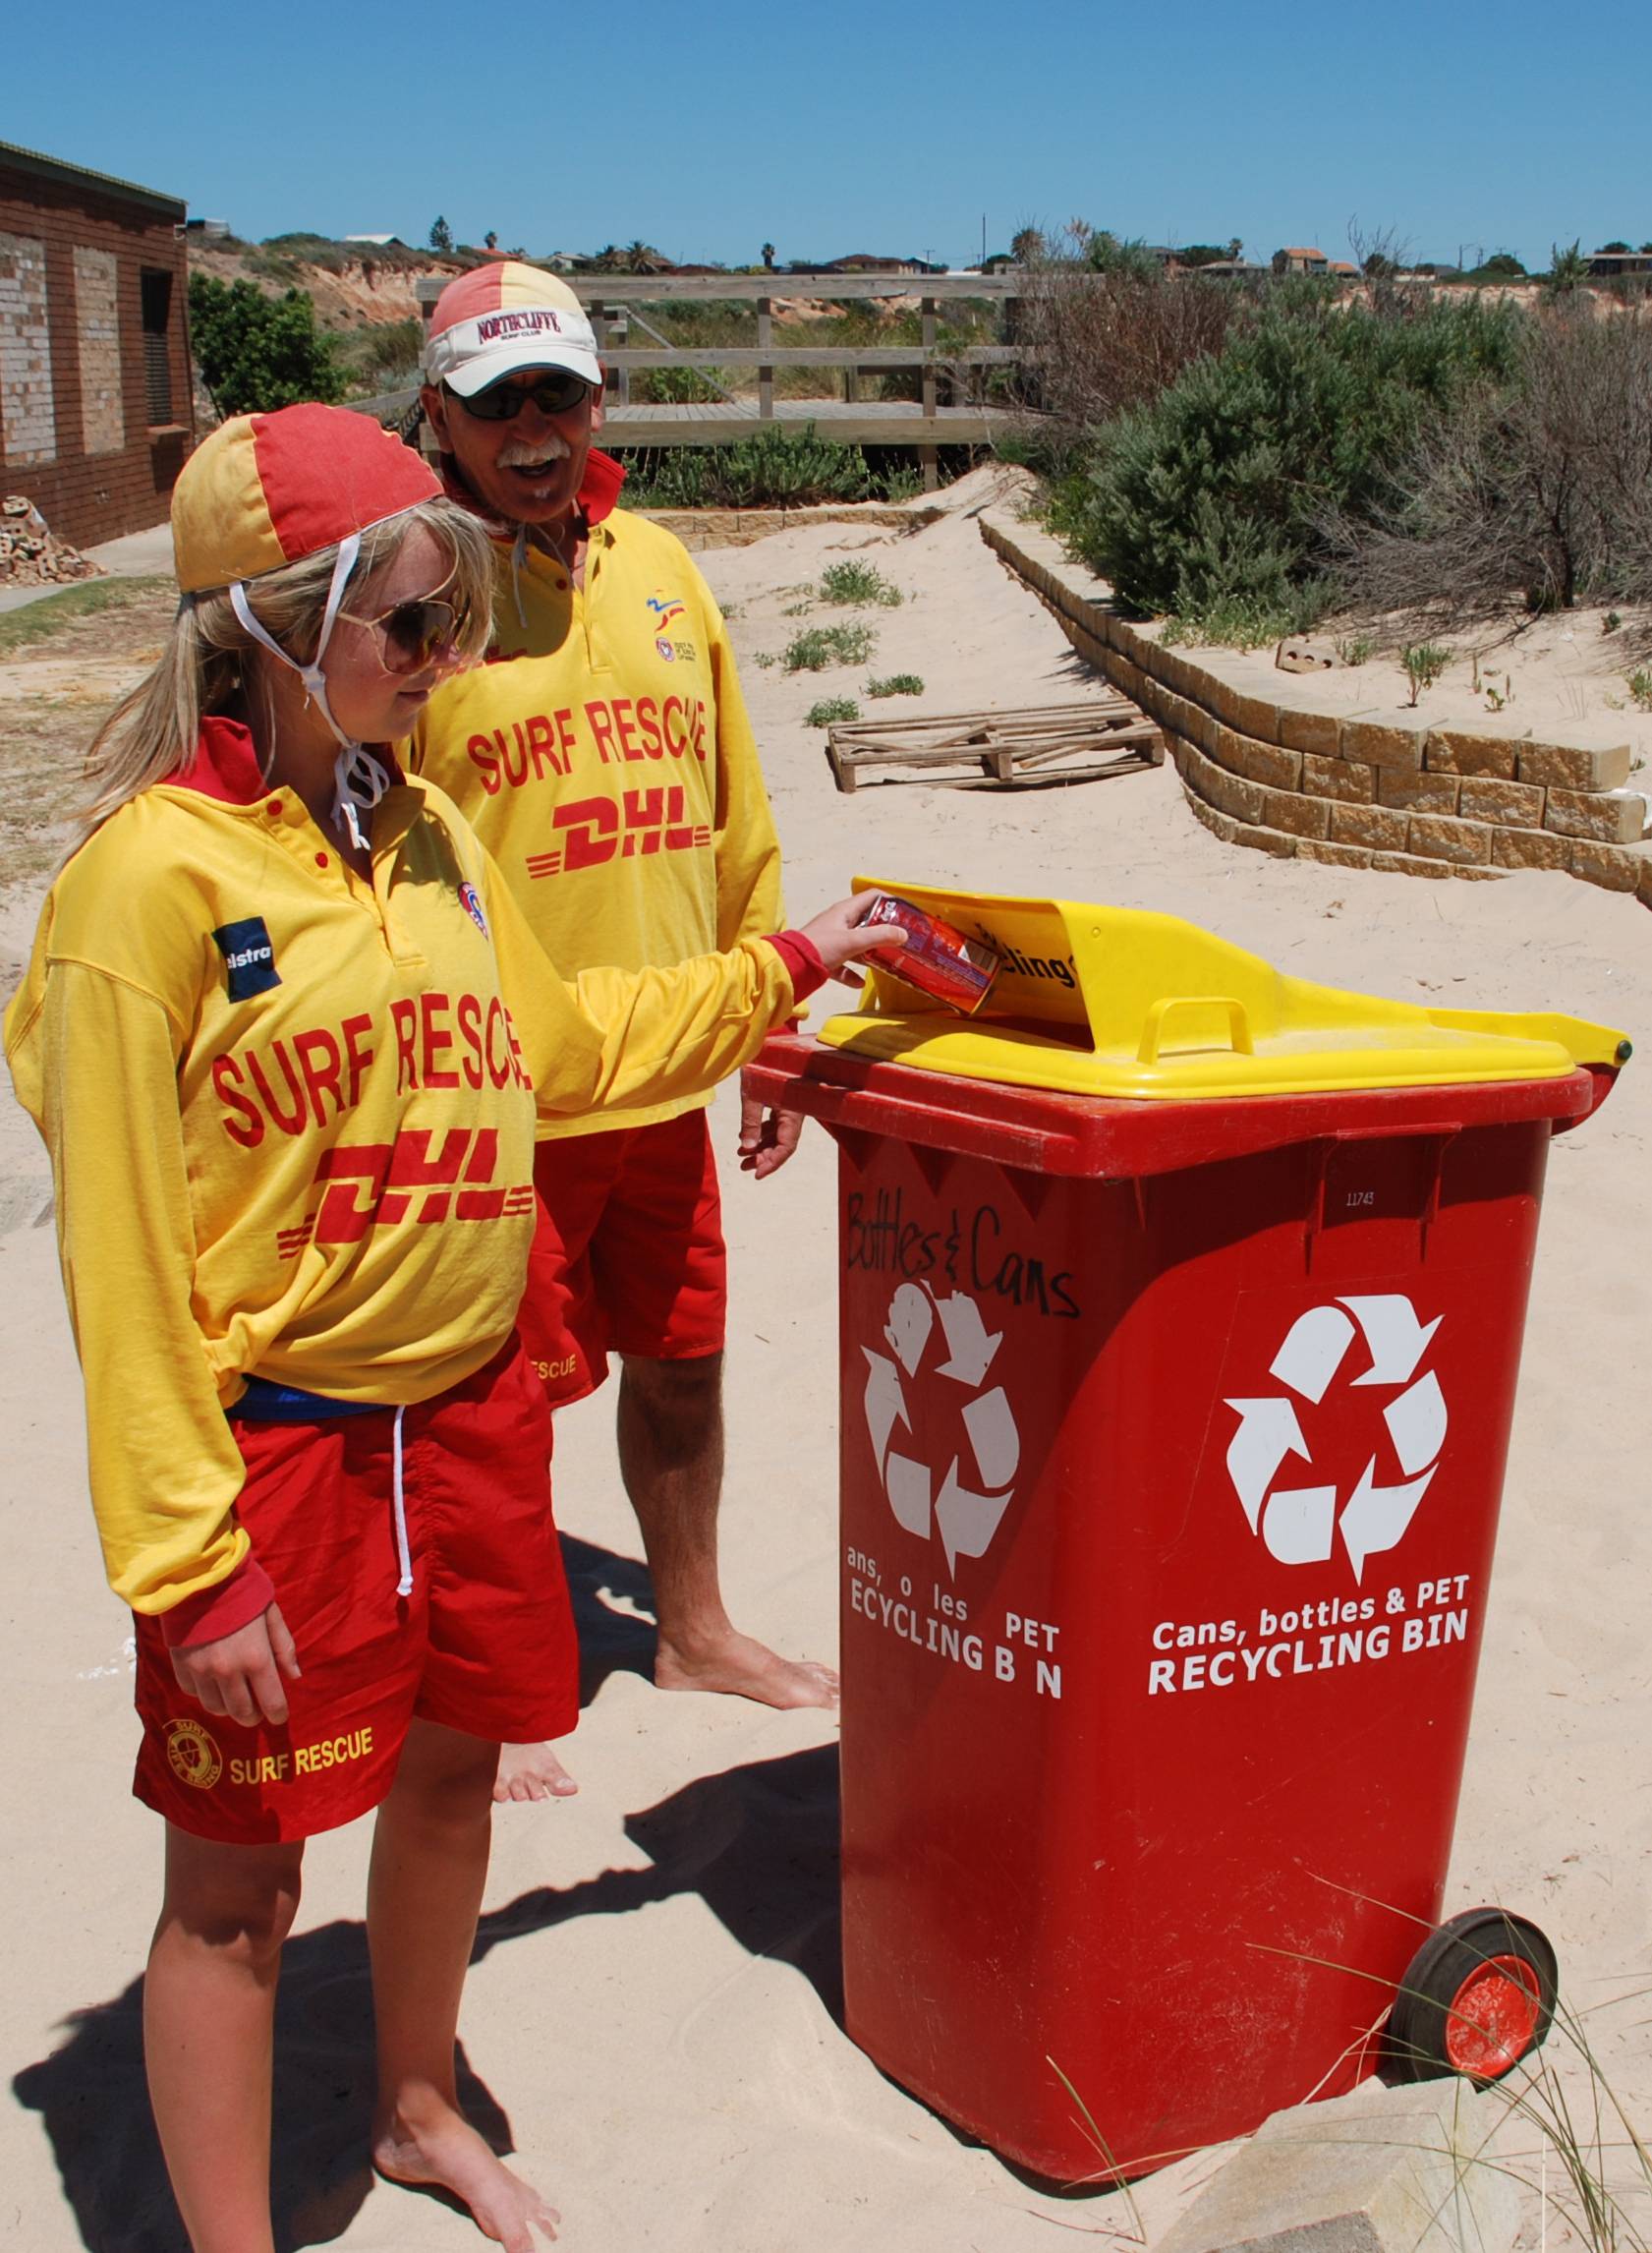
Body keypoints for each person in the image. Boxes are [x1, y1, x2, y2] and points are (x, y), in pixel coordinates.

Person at [3, 404, 891, 2253]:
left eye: (456, 619)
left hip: (475, 1416)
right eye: (408, 628)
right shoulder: (142, 896)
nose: (447, 663)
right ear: (269, 619)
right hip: (282, 1450)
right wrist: (191, 1566)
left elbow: (572, 1057)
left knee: (455, 1778)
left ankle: (417, 2110)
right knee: (237, 1894)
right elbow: (123, 1275)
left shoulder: (430, 842)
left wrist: (787, 968)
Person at [409, 262, 826, 1803]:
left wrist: (768, 1026)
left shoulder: (658, 561)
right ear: (437, 415)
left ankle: (694, 1626)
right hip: (495, 1094)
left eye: (556, 394)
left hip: (663, 1074)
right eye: (495, 400)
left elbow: (736, 806)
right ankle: (493, 1684)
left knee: (683, 1361)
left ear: (601, 400)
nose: (530, 427)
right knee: (492, 1408)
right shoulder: (416, 587)